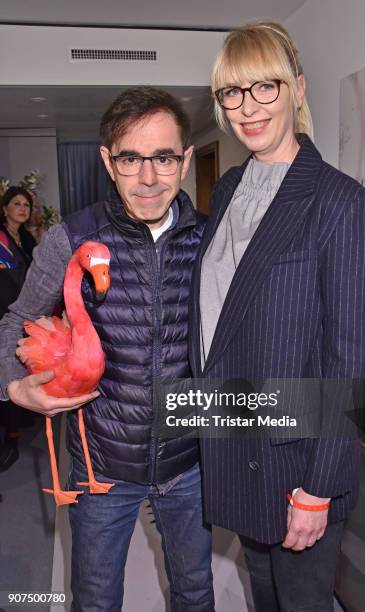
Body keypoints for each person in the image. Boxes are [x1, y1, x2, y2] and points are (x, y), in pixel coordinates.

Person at [188, 22, 365, 612]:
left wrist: (320, 487)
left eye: (264, 88)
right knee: (263, 597)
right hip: (236, 441)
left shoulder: (341, 202)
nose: (247, 108)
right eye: (232, 93)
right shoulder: (226, 191)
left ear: (297, 88)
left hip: (297, 461)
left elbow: (350, 363)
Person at [0, 87, 214, 612]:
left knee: (195, 592)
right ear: (107, 161)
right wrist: (13, 386)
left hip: (190, 465)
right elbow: (16, 321)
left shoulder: (211, 239)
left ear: (185, 160)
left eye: (163, 157)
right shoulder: (72, 238)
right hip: (102, 470)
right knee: (95, 600)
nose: (147, 177)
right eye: (130, 158)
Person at [0, 186, 37, 471]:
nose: (22, 208)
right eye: (16, 203)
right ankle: (10, 441)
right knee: (7, 375)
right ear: (4, 209)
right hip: (4, 316)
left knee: (20, 370)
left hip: (25, 316)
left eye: (26, 204)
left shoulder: (25, 239)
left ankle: (18, 426)